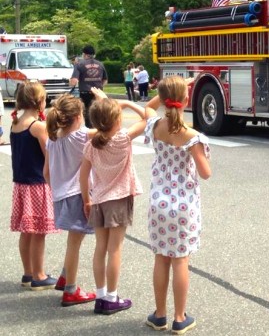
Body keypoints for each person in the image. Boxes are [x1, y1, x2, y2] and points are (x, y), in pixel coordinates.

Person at [143, 76, 211, 334]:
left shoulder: (155, 125)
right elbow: (205, 173)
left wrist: (169, 91)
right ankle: (180, 317)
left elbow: (149, 107)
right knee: (180, 260)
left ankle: (159, 315)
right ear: (185, 101)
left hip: (159, 203)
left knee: (161, 258)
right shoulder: (191, 136)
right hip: (183, 206)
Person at [80, 89, 146, 315]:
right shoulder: (123, 139)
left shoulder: (91, 144)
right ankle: (112, 296)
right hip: (118, 199)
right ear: (117, 120)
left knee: (100, 248)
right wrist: (126, 103)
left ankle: (99, 296)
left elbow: (83, 175)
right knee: (115, 249)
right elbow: (147, 118)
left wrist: (86, 199)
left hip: (98, 199)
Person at [44, 94, 98, 306]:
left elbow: (46, 172)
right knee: (74, 242)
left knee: (74, 240)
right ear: (77, 116)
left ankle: (66, 276)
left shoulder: (53, 138)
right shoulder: (80, 136)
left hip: (60, 194)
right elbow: (110, 128)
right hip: (77, 194)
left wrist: (57, 188)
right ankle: (71, 289)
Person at [9, 82, 59, 290]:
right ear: (39, 101)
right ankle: (39, 275)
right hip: (37, 184)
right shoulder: (37, 127)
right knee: (38, 231)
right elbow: (50, 155)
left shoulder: (16, 123)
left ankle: (28, 272)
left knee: (26, 230)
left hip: (21, 184)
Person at [70, 45, 108, 128]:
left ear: (84, 54)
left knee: (88, 115)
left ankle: (91, 133)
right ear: (93, 54)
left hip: (85, 93)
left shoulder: (79, 64)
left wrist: (70, 82)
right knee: (99, 114)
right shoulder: (100, 64)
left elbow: (74, 81)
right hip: (98, 94)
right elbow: (105, 80)